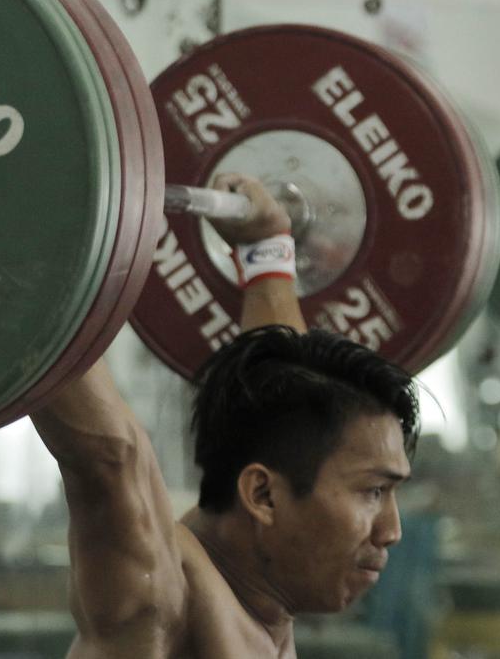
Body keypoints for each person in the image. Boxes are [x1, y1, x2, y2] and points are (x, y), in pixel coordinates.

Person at [30, 173, 420, 658]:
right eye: (373, 492)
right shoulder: (163, 601)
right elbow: (110, 458)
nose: (392, 530)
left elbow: (282, 385)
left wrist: (267, 252)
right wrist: (17, 263)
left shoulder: (266, 605)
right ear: (262, 495)